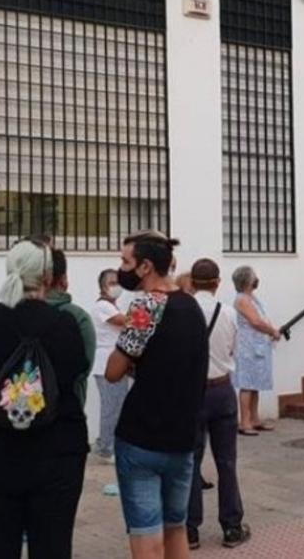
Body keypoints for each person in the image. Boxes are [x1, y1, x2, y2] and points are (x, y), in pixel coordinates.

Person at [0, 240, 90, 559]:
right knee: (53, 547)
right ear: (48, 276)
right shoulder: (65, 325)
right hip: (57, 454)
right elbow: (76, 371)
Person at [106, 231, 207, 559]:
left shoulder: (147, 305)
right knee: (176, 528)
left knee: (146, 534)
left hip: (142, 437)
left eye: (125, 261)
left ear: (146, 266)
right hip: (182, 437)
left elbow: (114, 370)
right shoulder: (191, 305)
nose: (121, 268)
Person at [185, 259, 251, 550]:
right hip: (222, 389)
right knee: (226, 462)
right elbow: (234, 349)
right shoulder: (228, 314)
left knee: (190, 462)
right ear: (217, 282)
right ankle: (232, 526)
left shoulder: (183, 313)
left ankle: (190, 530)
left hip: (191, 392)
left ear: (192, 282)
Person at [232, 266, 280, 436]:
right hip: (248, 348)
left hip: (257, 346)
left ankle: (255, 418)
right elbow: (255, 321)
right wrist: (272, 331)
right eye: (253, 277)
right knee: (247, 384)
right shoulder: (242, 299)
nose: (256, 279)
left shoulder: (251, 297)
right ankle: (244, 422)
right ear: (247, 280)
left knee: (255, 384)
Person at [45, 249, 97, 407]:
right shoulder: (79, 317)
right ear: (63, 279)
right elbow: (84, 369)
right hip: (67, 412)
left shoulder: (8, 314)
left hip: (18, 413)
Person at [91, 269, 129, 463]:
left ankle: (108, 443)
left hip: (115, 363)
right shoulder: (103, 306)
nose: (117, 286)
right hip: (106, 364)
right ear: (103, 286)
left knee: (117, 405)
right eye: (112, 283)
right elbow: (124, 322)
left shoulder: (113, 306)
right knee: (111, 407)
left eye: (118, 282)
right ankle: (106, 448)